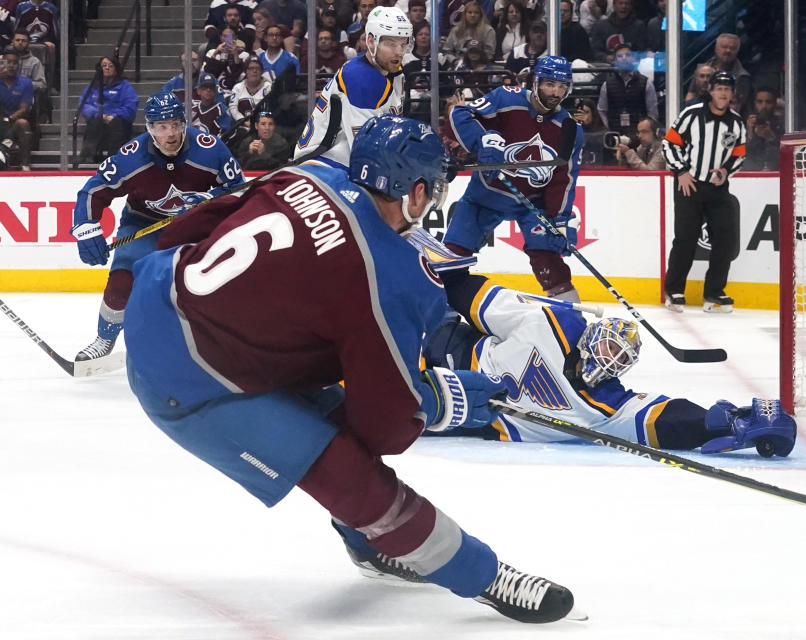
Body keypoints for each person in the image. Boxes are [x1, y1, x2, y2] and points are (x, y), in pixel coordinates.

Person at [121, 113, 576, 624]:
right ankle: (485, 576)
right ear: (417, 192)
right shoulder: (387, 280)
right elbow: (386, 423)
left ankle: (367, 544)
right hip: (188, 380)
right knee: (351, 476)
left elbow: (198, 223)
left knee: (330, 422)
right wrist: (442, 399)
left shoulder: (310, 173)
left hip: (158, 296)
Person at [420, 266, 796, 454]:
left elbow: (664, 419)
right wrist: (427, 268)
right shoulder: (553, 321)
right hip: (442, 347)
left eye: (617, 358)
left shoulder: (606, 406)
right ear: (591, 337)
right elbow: (472, 295)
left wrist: (723, 424)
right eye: (606, 348)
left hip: (456, 413)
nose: (606, 360)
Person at [69, 92, 245, 361]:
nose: (171, 133)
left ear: (185, 123)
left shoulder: (210, 149)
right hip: (142, 223)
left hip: (193, 224)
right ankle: (104, 340)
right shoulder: (131, 158)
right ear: (150, 129)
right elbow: (93, 192)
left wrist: (210, 199)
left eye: (176, 124)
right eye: (162, 127)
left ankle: (218, 341)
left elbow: (239, 189)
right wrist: (85, 229)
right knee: (121, 281)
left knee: (209, 281)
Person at [445, 55, 585, 302]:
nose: (556, 92)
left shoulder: (570, 130)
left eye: (562, 86)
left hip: (531, 204)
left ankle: (569, 319)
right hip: (485, 196)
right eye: (550, 84)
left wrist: (560, 219)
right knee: (451, 258)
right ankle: (440, 316)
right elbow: (461, 113)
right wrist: (484, 141)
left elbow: (564, 179)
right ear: (535, 82)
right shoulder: (506, 98)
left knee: (550, 261)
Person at [662, 70, 746, 313]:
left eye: (727, 89)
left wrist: (726, 171)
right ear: (710, 90)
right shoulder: (692, 114)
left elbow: (739, 154)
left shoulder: (737, 122)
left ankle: (714, 292)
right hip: (690, 185)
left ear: (732, 94)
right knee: (686, 239)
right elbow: (669, 142)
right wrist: (681, 171)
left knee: (725, 240)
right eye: (719, 88)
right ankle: (674, 290)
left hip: (718, 189)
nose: (723, 92)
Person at [294, 6, 411, 167]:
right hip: (323, 165)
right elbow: (367, 152)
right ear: (371, 41)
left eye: (403, 44)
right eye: (391, 44)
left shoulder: (394, 72)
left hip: (343, 163)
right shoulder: (360, 77)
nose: (399, 52)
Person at [77, 55, 139, 163]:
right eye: (104, 65)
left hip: (117, 122)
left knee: (116, 123)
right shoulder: (93, 86)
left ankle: (115, 160)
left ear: (116, 69)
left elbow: (130, 107)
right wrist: (99, 114)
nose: (107, 68)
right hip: (98, 120)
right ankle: (86, 159)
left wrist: (114, 115)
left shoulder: (124, 86)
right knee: (94, 122)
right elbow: (83, 104)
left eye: (110, 66)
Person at [597, 44, 657, 134]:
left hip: (639, 135)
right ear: (615, 61)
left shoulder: (646, 83)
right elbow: (602, 110)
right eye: (620, 56)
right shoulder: (607, 85)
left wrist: (645, 132)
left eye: (628, 55)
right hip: (615, 134)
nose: (624, 58)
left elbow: (652, 113)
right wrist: (609, 130)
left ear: (633, 59)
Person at [690, 33, 751, 114]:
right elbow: (691, 94)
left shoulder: (743, 77)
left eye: (732, 48)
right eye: (724, 47)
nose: (728, 50)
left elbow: (737, 106)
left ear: (737, 51)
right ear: (716, 49)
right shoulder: (701, 70)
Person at [0, 50, 32, 169]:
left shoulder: (26, 83)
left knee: (23, 123)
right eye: (8, 62)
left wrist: (9, 118)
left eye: (15, 63)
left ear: (19, 65)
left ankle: (25, 166)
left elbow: (24, 108)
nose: (11, 65)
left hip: (12, 123)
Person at [589, 0, 646, 64]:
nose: (624, 6)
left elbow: (642, 50)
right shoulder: (600, 26)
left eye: (627, 4)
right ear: (614, 5)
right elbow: (595, 50)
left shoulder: (639, 26)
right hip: (606, 68)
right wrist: (605, 57)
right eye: (620, 3)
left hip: (631, 67)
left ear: (631, 6)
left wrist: (631, 57)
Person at [742, 86, 782, 171]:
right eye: (760, 102)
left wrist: (772, 138)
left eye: (768, 102)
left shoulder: (783, 125)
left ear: (775, 103)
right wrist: (750, 133)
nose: (764, 106)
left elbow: (786, 155)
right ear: (754, 103)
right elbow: (740, 156)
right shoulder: (744, 125)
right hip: (750, 174)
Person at [227, 56, 272, 123]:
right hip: (241, 125)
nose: (254, 71)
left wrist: (257, 121)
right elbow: (233, 107)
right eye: (251, 68)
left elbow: (271, 110)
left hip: (262, 125)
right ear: (245, 71)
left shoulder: (268, 87)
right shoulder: (238, 87)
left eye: (258, 68)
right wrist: (243, 121)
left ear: (262, 71)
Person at [571, 97, 607, 166]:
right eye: (581, 112)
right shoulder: (572, 130)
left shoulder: (603, 132)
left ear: (593, 113)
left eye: (586, 112)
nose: (583, 116)